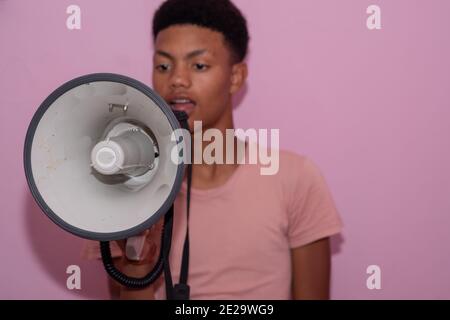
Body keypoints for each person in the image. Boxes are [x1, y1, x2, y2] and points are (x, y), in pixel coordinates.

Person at [83, 0, 343, 300]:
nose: (177, 79)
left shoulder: (295, 178)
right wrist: (136, 273)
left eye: (199, 65)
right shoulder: (125, 186)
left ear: (236, 77)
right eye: (163, 66)